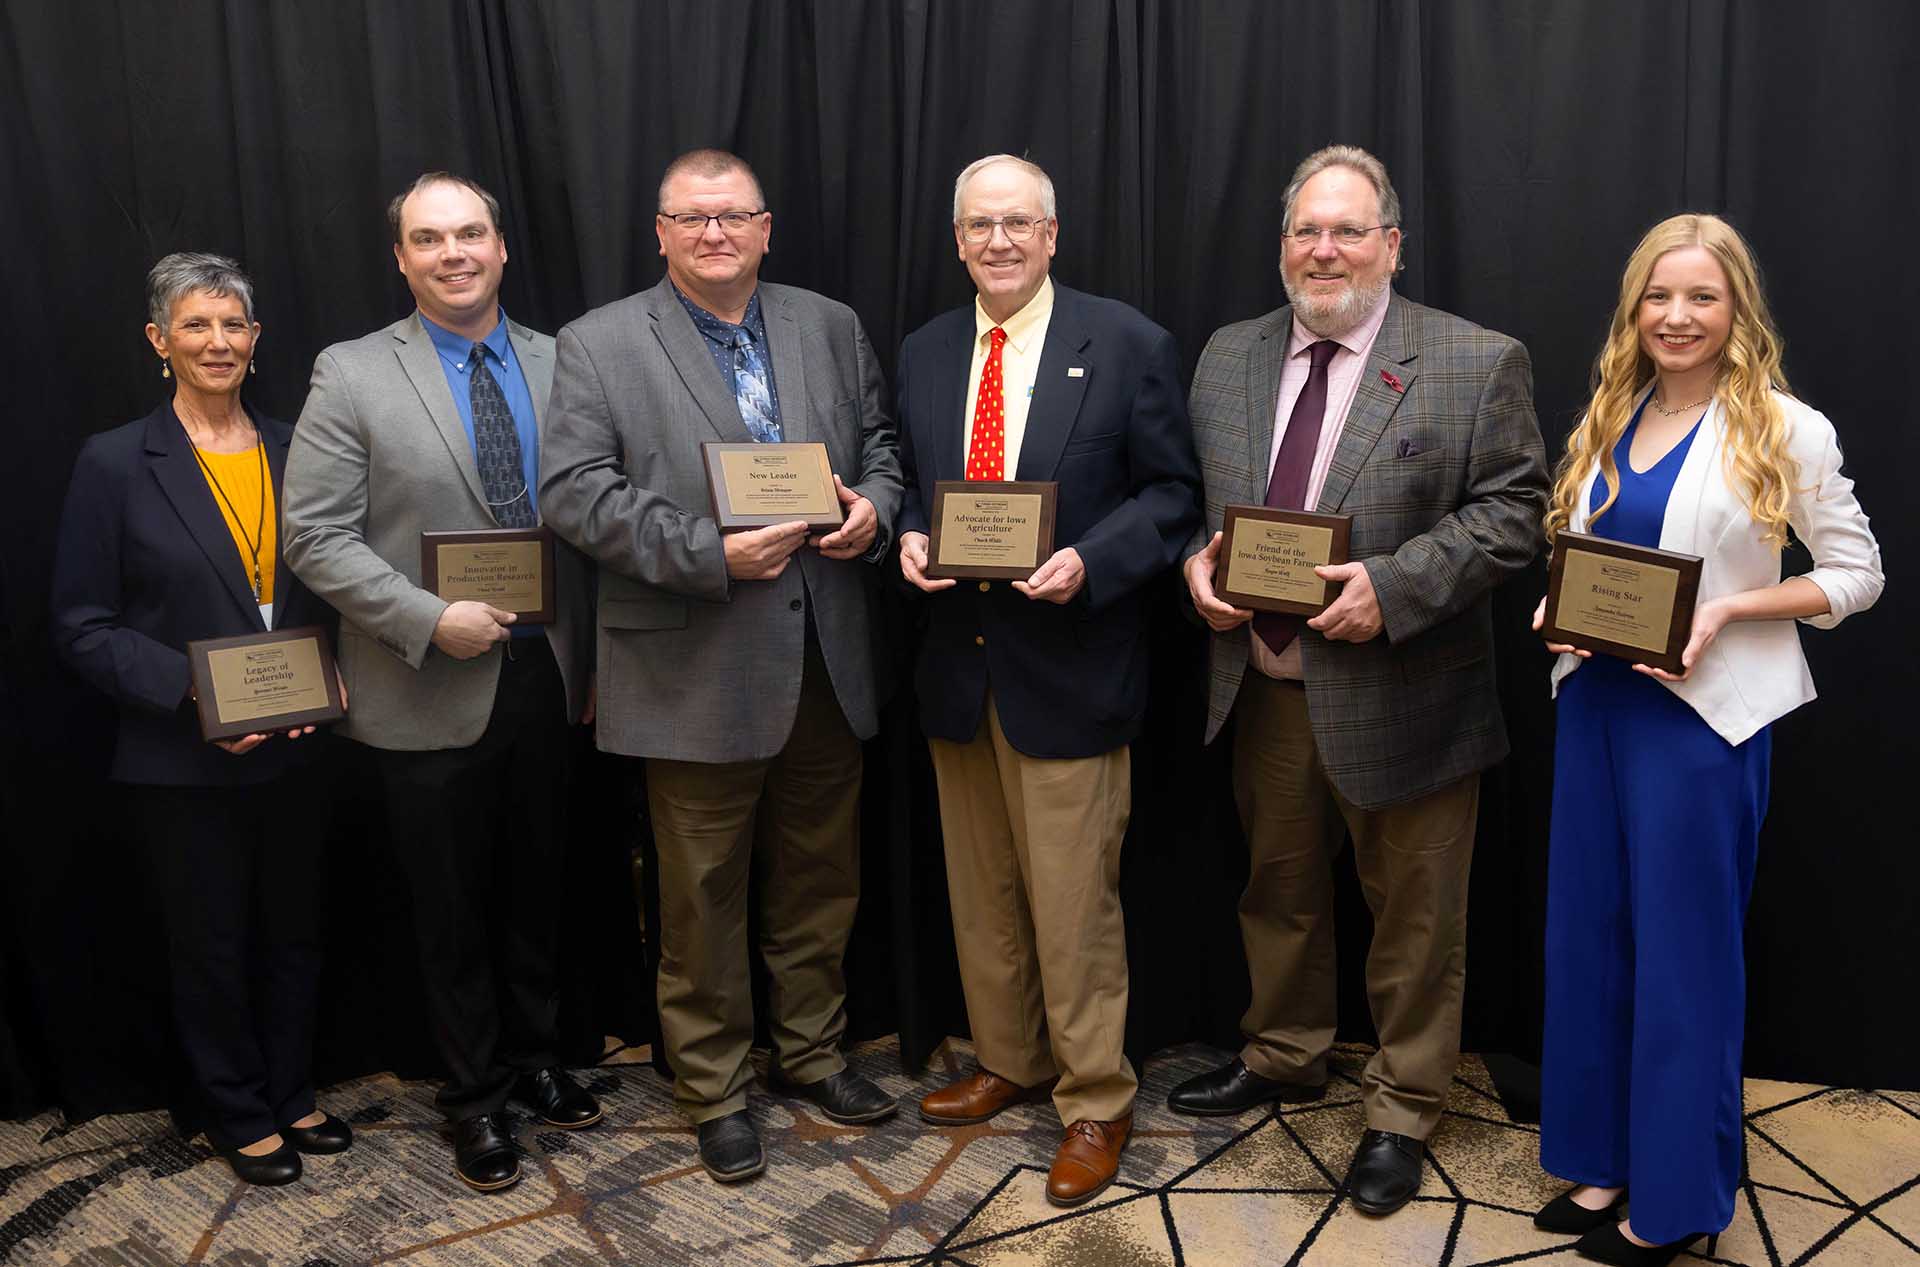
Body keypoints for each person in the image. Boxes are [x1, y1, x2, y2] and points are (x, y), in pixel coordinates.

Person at [1175, 144, 1548, 1215]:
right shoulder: (1227, 355)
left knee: (1417, 921)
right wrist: (1198, 565)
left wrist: (1396, 583)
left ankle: (1402, 1105)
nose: (1323, 249)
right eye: (1305, 230)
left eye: (1346, 230)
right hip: (1263, 683)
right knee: (1277, 891)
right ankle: (1284, 1050)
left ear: (1390, 244)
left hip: (1408, 692)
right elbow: (1210, 504)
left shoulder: (1477, 359)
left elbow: (1516, 511)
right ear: (1282, 246)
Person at [539, 148, 904, 1183]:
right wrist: (709, 551)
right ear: (659, 231)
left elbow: (880, 444)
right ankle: (712, 1087)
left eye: (733, 215)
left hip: (825, 654)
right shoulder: (600, 343)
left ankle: (813, 1053)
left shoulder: (827, 323)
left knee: (822, 877)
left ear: (765, 227)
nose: (714, 233)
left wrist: (874, 509)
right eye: (692, 218)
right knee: (699, 895)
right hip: (692, 661)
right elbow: (574, 493)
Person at [1530, 214, 1882, 1265]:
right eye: (1658, 297)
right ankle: (1603, 1158)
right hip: (1594, 704)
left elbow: (1858, 574)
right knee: (1591, 943)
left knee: (1683, 960)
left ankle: (1677, 1198)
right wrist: (1558, 607)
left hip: (1701, 724)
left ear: (1738, 310)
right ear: (1634, 311)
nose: (1676, 318)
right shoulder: (1609, 414)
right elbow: (1596, 559)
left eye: (1702, 298)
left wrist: (1727, 612)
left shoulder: (1786, 426)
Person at [282, 173, 600, 1193]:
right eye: (430, 238)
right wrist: (428, 618)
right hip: (424, 678)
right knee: (450, 908)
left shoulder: (568, 359)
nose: (453, 252)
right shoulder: (353, 371)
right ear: (403, 259)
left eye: (470, 233)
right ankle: (474, 1100)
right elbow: (313, 534)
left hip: (550, 672)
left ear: (503, 246)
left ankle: (542, 1057)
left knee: (538, 884)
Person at [897, 154, 1203, 1207]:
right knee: (982, 898)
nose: (999, 241)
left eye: (1018, 223)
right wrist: (903, 532)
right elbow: (908, 472)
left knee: (1076, 908)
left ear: (1054, 234)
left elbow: (1172, 496)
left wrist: (1095, 562)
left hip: (1073, 669)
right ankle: (1007, 1056)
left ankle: (1095, 1098)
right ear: (957, 240)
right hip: (958, 669)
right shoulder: (930, 349)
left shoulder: (1126, 344)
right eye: (980, 225)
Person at [50, 253, 349, 1185]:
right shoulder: (115, 460)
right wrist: (196, 694)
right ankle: (233, 1105)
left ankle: (292, 1087)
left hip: (299, 743)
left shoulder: (300, 446)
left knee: (295, 929)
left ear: (257, 344)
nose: (217, 342)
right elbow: (80, 624)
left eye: (233, 327)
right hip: (182, 758)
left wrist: (325, 680)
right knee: (210, 940)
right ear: (159, 341)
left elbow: (327, 591)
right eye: (196, 326)